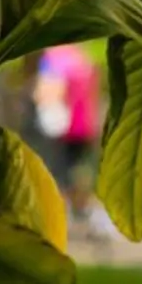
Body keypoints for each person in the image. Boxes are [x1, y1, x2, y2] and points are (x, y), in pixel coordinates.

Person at [34, 43, 102, 221]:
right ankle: (79, 210)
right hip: (84, 126)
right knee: (77, 170)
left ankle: (58, 213)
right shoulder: (83, 57)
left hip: (60, 126)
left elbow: (48, 90)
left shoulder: (52, 58)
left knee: (56, 170)